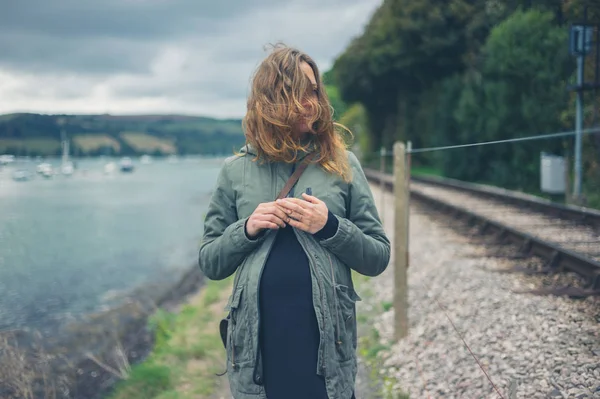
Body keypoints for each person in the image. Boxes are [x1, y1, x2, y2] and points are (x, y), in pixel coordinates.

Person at [199, 44, 391, 399]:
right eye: (299, 93)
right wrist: (246, 229)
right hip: (260, 356)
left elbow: (377, 257)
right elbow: (210, 261)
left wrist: (331, 226)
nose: (312, 103)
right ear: (271, 99)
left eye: (315, 91)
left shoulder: (342, 163)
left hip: (327, 354)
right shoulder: (235, 170)